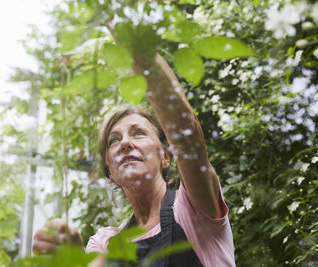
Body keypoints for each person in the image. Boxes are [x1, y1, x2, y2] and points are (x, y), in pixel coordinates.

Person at [33, 52, 236, 266]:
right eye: (113, 140)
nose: (125, 143)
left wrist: (132, 42)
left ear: (165, 156)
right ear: (109, 172)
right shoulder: (105, 244)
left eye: (138, 132)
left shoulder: (193, 208)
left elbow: (185, 131)